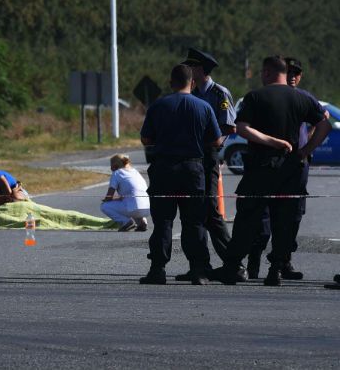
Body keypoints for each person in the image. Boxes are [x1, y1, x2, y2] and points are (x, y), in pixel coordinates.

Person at [215, 56, 330, 286]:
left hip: (260, 167)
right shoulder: (302, 98)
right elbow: (324, 124)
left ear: (267, 72)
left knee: (248, 218)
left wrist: (271, 142)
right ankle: (276, 268)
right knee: (284, 221)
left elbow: (242, 128)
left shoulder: (256, 97)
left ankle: (233, 266)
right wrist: (305, 150)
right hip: (291, 169)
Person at [139, 64, 222, 285]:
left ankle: (157, 269)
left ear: (170, 82)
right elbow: (216, 140)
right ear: (192, 83)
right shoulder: (203, 107)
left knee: (163, 222)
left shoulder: (158, 106)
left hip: (164, 170)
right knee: (194, 222)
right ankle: (198, 269)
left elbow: (146, 139)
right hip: (193, 171)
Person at [176, 48, 243, 282]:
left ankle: (234, 264)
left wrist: (211, 144)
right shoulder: (190, 93)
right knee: (194, 211)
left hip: (208, 155)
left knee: (211, 211)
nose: (189, 72)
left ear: (201, 70)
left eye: (192, 67)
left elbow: (229, 126)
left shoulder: (218, 93)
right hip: (191, 158)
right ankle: (200, 265)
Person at [100, 154, 150, 232]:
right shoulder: (135, 171)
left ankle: (126, 222)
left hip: (134, 207)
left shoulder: (117, 173)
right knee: (131, 202)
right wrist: (119, 198)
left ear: (115, 166)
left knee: (104, 206)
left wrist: (108, 199)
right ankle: (142, 222)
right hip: (147, 208)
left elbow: (109, 196)